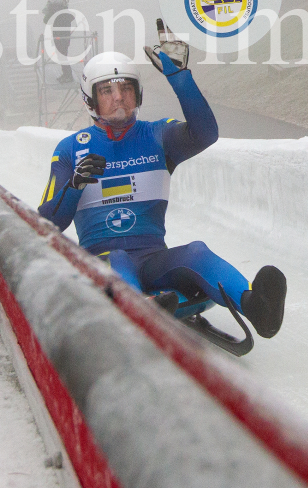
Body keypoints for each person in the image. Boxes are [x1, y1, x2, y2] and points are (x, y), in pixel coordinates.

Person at [37, 22, 287, 339]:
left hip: (154, 258)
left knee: (196, 251)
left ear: (137, 94)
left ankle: (256, 306)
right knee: (117, 261)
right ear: (91, 100)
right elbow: (46, 223)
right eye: (107, 91)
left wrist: (180, 77)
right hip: (102, 261)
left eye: (126, 88)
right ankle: (143, 308)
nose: (118, 98)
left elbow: (205, 134)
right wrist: (73, 185)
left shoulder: (158, 134)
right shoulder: (69, 149)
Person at [42, 0, 75, 84]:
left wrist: (52, 12)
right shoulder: (63, 14)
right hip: (60, 38)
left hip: (62, 39)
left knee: (62, 57)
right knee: (61, 56)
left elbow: (46, 20)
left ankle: (68, 76)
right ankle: (66, 75)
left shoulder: (62, 14)